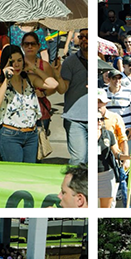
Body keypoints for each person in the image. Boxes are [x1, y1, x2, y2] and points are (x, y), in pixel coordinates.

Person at [0, 45, 57, 163]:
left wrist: (32, 67)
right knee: (15, 174)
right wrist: (6, 79)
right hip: (10, 135)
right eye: (12, 61)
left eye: (19, 60)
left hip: (31, 134)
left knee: (29, 173)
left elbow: (53, 84)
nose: (16, 64)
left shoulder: (29, 79)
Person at [57, 29, 88, 165]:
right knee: (78, 160)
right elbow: (62, 89)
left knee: (91, 161)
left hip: (96, 119)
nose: (84, 40)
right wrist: (57, 74)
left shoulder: (100, 60)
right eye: (81, 37)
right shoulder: (70, 62)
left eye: (88, 36)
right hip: (74, 118)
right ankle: (75, 186)